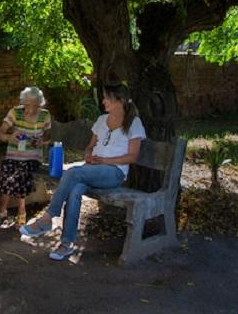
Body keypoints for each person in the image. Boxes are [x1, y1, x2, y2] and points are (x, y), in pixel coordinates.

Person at [19, 81, 146, 260]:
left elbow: (132, 156)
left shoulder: (134, 123)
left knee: (71, 173)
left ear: (120, 101)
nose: (103, 102)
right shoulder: (102, 120)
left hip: (114, 173)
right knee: (75, 189)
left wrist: (105, 160)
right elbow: (90, 146)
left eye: (107, 98)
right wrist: (88, 155)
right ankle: (66, 244)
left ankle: (48, 217)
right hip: (92, 168)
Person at [0, 87, 52, 225]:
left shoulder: (45, 115)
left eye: (34, 105)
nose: (30, 108)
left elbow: (48, 135)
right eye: (27, 104)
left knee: (20, 174)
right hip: (13, 156)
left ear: (40, 104)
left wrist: (42, 140)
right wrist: (10, 137)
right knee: (5, 175)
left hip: (33, 157)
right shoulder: (15, 112)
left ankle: (16, 211)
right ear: (22, 102)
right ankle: (10, 211)